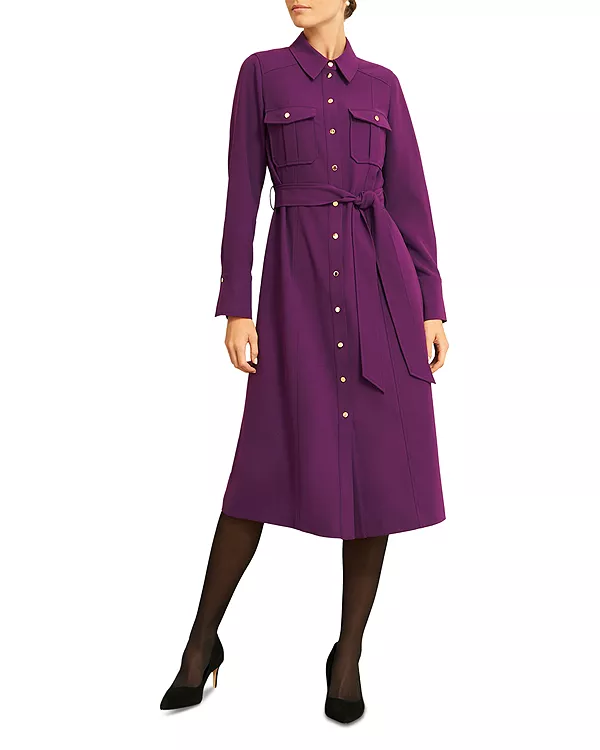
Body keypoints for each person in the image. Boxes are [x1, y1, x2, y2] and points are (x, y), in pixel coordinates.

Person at [160, 0, 449, 724]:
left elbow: (410, 199)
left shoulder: (382, 85)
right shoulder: (261, 74)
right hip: (294, 296)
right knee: (259, 471)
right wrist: (236, 304)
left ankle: (348, 655)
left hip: (382, 295)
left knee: (379, 475)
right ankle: (200, 644)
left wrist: (432, 306)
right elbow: (241, 191)